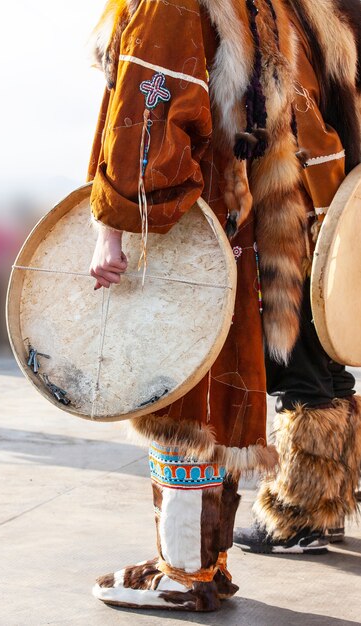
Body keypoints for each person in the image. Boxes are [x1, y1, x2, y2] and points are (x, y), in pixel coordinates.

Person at [87, 0, 361, 611]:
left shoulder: (173, 4)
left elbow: (147, 116)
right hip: (278, 221)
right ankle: (207, 559)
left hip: (203, 226)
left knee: (184, 396)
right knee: (229, 389)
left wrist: (115, 226)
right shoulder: (284, 5)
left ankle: (184, 573)